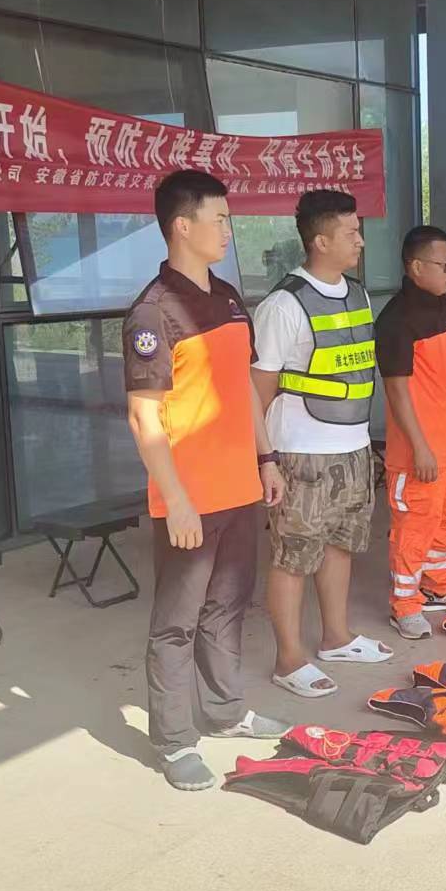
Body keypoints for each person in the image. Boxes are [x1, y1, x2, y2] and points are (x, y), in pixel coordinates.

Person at [123, 170, 289, 792]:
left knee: (227, 609)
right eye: (218, 219)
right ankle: (173, 741)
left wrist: (266, 457)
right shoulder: (153, 312)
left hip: (239, 488)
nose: (228, 230)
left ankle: (223, 712)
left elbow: (242, 386)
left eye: (228, 219)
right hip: (189, 498)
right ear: (181, 226)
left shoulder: (227, 297)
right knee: (177, 622)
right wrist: (177, 500)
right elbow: (143, 417)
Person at [252, 188, 389, 701]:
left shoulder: (358, 293)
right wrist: (266, 458)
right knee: (293, 556)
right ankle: (289, 659)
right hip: (302, 452)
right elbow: (258, 389)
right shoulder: (283, 305)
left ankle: (337, 638)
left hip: (353, 445)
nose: (360, 241)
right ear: (321, 241)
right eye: (351, 232)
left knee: (341, 544)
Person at [375, 226, 446, 640]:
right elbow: (397, 390)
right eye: (445, 265)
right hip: (417, 453)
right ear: (416, 266)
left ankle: (439, 585)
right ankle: (404, 605)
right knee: (414, 528)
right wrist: (420, 447)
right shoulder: (397, 319)